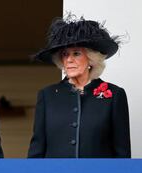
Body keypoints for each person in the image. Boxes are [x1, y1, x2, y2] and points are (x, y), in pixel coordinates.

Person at [28, 15, 131, 158]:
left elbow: (122, 153)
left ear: (91, 58)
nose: (69, 59)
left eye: (76, 53)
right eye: (65, 54)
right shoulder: (47, 96)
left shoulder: (114, 95)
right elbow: (37, 150)